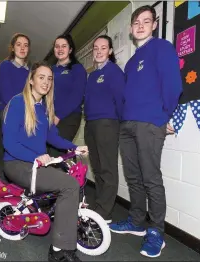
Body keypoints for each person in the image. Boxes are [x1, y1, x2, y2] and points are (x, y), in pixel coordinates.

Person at [108, 5, 182, 258]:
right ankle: (137, 221)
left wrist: (163, 116)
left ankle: (156, 232)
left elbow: (173, 85)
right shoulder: (130, 63)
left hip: (149, 123)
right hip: (127, 124)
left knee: (151, 178)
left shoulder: (162, 48)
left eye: (146, 21)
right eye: (136, 22)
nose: (140, 25)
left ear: (154, 24)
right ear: (131, 28)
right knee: (133, 176)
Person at [2, 61, 88, 262]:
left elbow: (53, 136)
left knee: (69, 179)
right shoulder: (18, 103)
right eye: (41, 77)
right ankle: (59, 250)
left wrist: (74, 147)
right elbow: (9, 143)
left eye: (49, 79)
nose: (46, 82)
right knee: (69, 185)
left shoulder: (43, 107)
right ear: (31, 80)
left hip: (36, 164)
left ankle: (62, 228)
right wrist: (35, 157)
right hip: (17, 164)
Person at [84, 35, 125, 224]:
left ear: (110, 51)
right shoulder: (92, 75)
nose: (99, 51)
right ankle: (101, 204)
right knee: (97, 167)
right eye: (96, 48)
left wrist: (117, 124)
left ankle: (104, 211)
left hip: (107, 124)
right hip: (91, 124)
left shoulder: (114, 72)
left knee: (107, 168)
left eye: (103, 48)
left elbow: (121, 101)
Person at [0, 33, 31, 179]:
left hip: (26, 115)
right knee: (9, 152)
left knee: (23, 151)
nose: (22, 48)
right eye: (19, 44)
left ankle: (20, 188)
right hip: (10, 113)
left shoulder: (30, 71)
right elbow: (6, 93)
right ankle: (4, 189)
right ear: (12, 48)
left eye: (25, 45)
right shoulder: (5, 66)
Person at [48, 34, 87, 158]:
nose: (60, 49)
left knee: (58, 151)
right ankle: (69, 175)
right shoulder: (51, 70)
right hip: (50, 115)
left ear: (70, 49)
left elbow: (77, 96)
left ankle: (68, 177)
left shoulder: (77, 69)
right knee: (49, 152)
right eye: (57, 46)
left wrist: (59, 115)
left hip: (68, 117)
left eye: (64, 46)